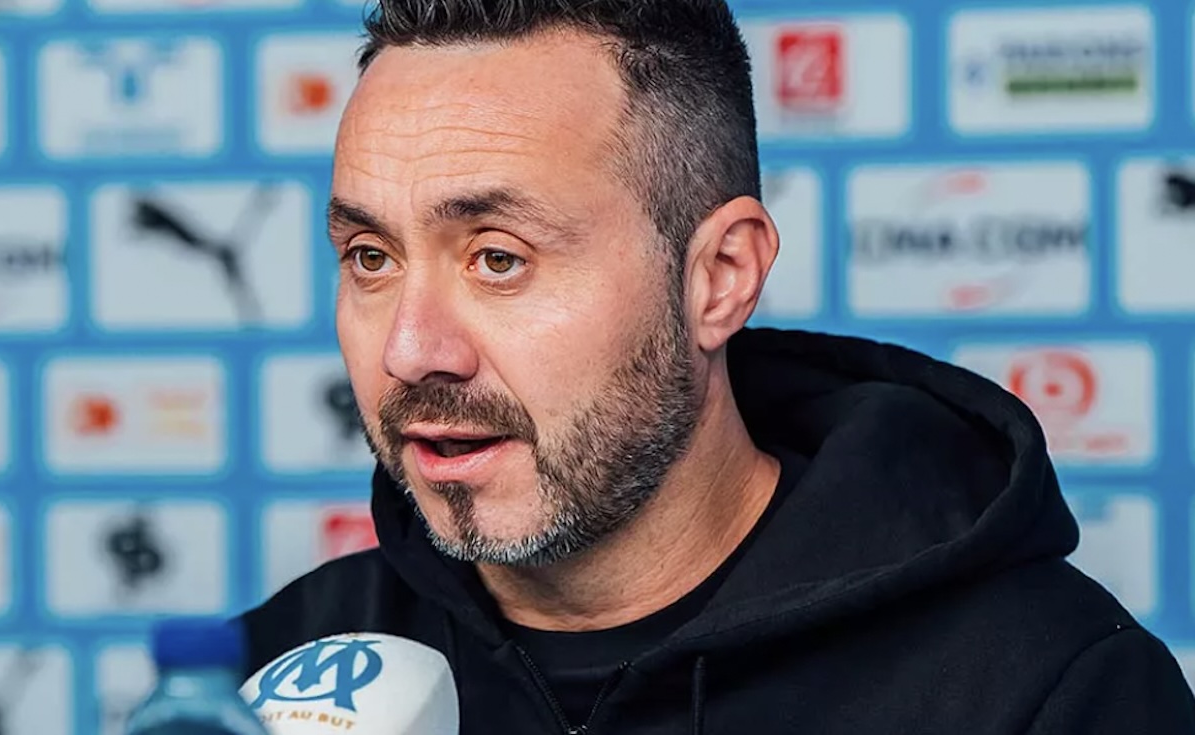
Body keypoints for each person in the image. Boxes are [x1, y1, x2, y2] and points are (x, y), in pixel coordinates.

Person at [239, 1, 1195, 732]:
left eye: (498, 258)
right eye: (371, 257)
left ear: (719, 277)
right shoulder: (273, 673)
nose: (411, 349)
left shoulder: (1043, 687)